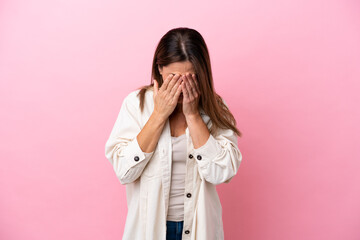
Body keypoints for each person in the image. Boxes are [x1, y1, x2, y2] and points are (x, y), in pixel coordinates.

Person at [105, 27, 243, 240]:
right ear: (159, 68)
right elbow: (124, 171)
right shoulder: (136, 105)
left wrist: (194, 115)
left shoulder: (215, 108)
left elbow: (221, 173)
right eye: (174, 77)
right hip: (149, 230)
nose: (181, 86)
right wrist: (159, 115)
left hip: (199, 229)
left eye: (190, 78)